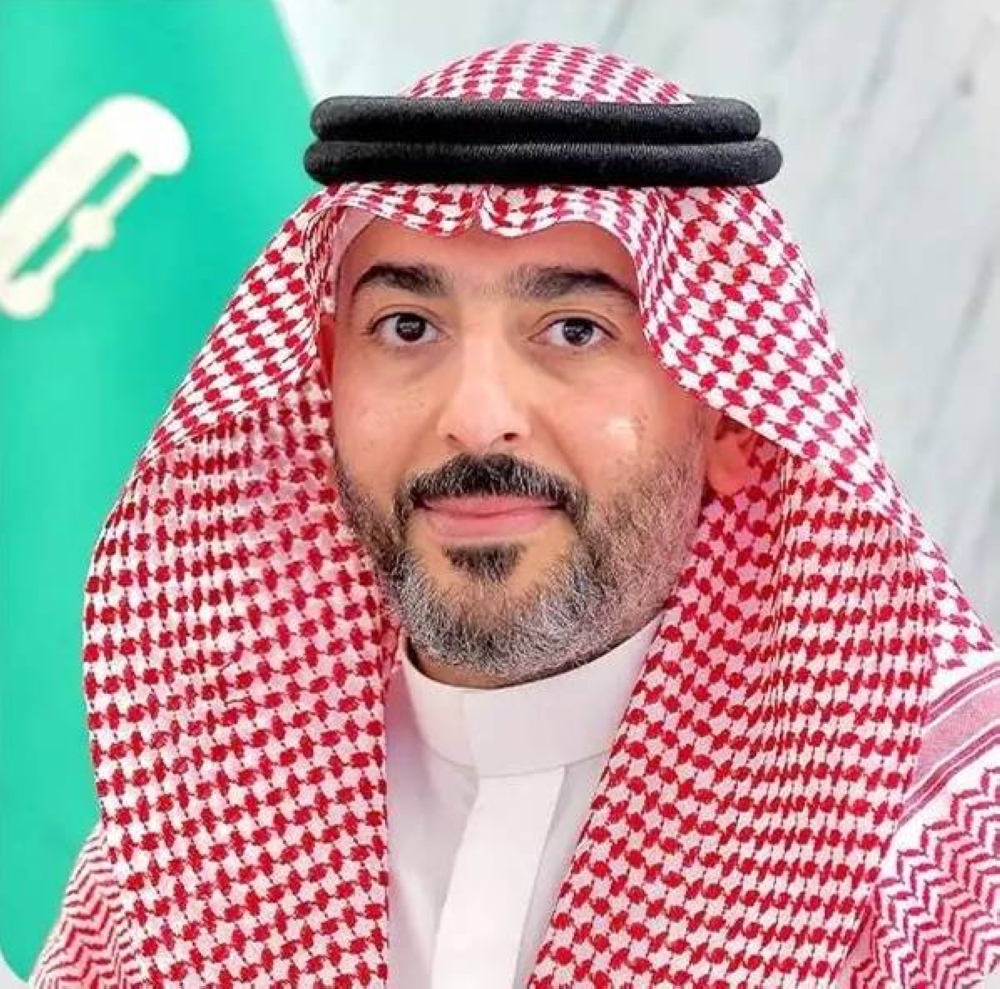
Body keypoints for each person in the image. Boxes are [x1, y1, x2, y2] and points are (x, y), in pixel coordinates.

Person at [30, 42, 999, 989]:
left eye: (574, 329)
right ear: (326, 388)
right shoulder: (178, 850)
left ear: (734, 419)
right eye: (408, 327)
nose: (475, 414)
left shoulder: (942, 849)